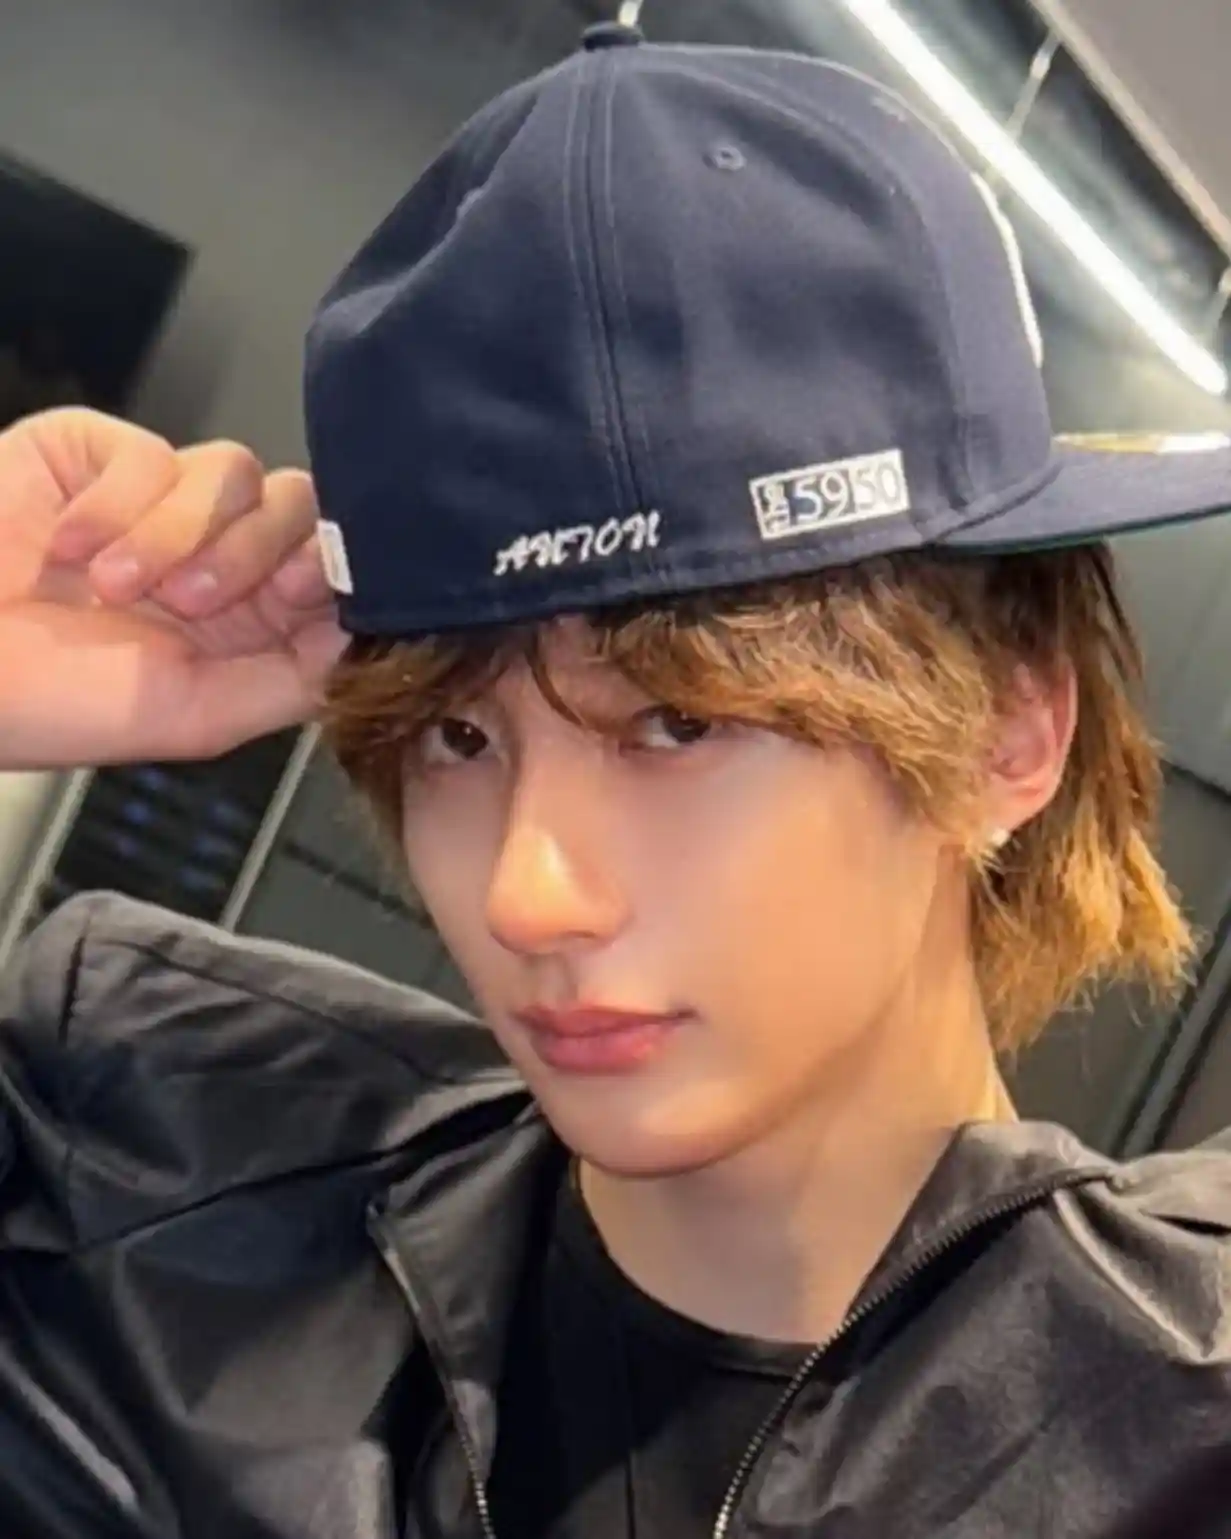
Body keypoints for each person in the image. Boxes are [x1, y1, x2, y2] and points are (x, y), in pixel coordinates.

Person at [2, 24, 1231, 1539]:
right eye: (461, 739)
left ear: (1007, 736)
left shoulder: (1179, 1435)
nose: (527, 891)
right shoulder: (130, 1160)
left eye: (674, 726)